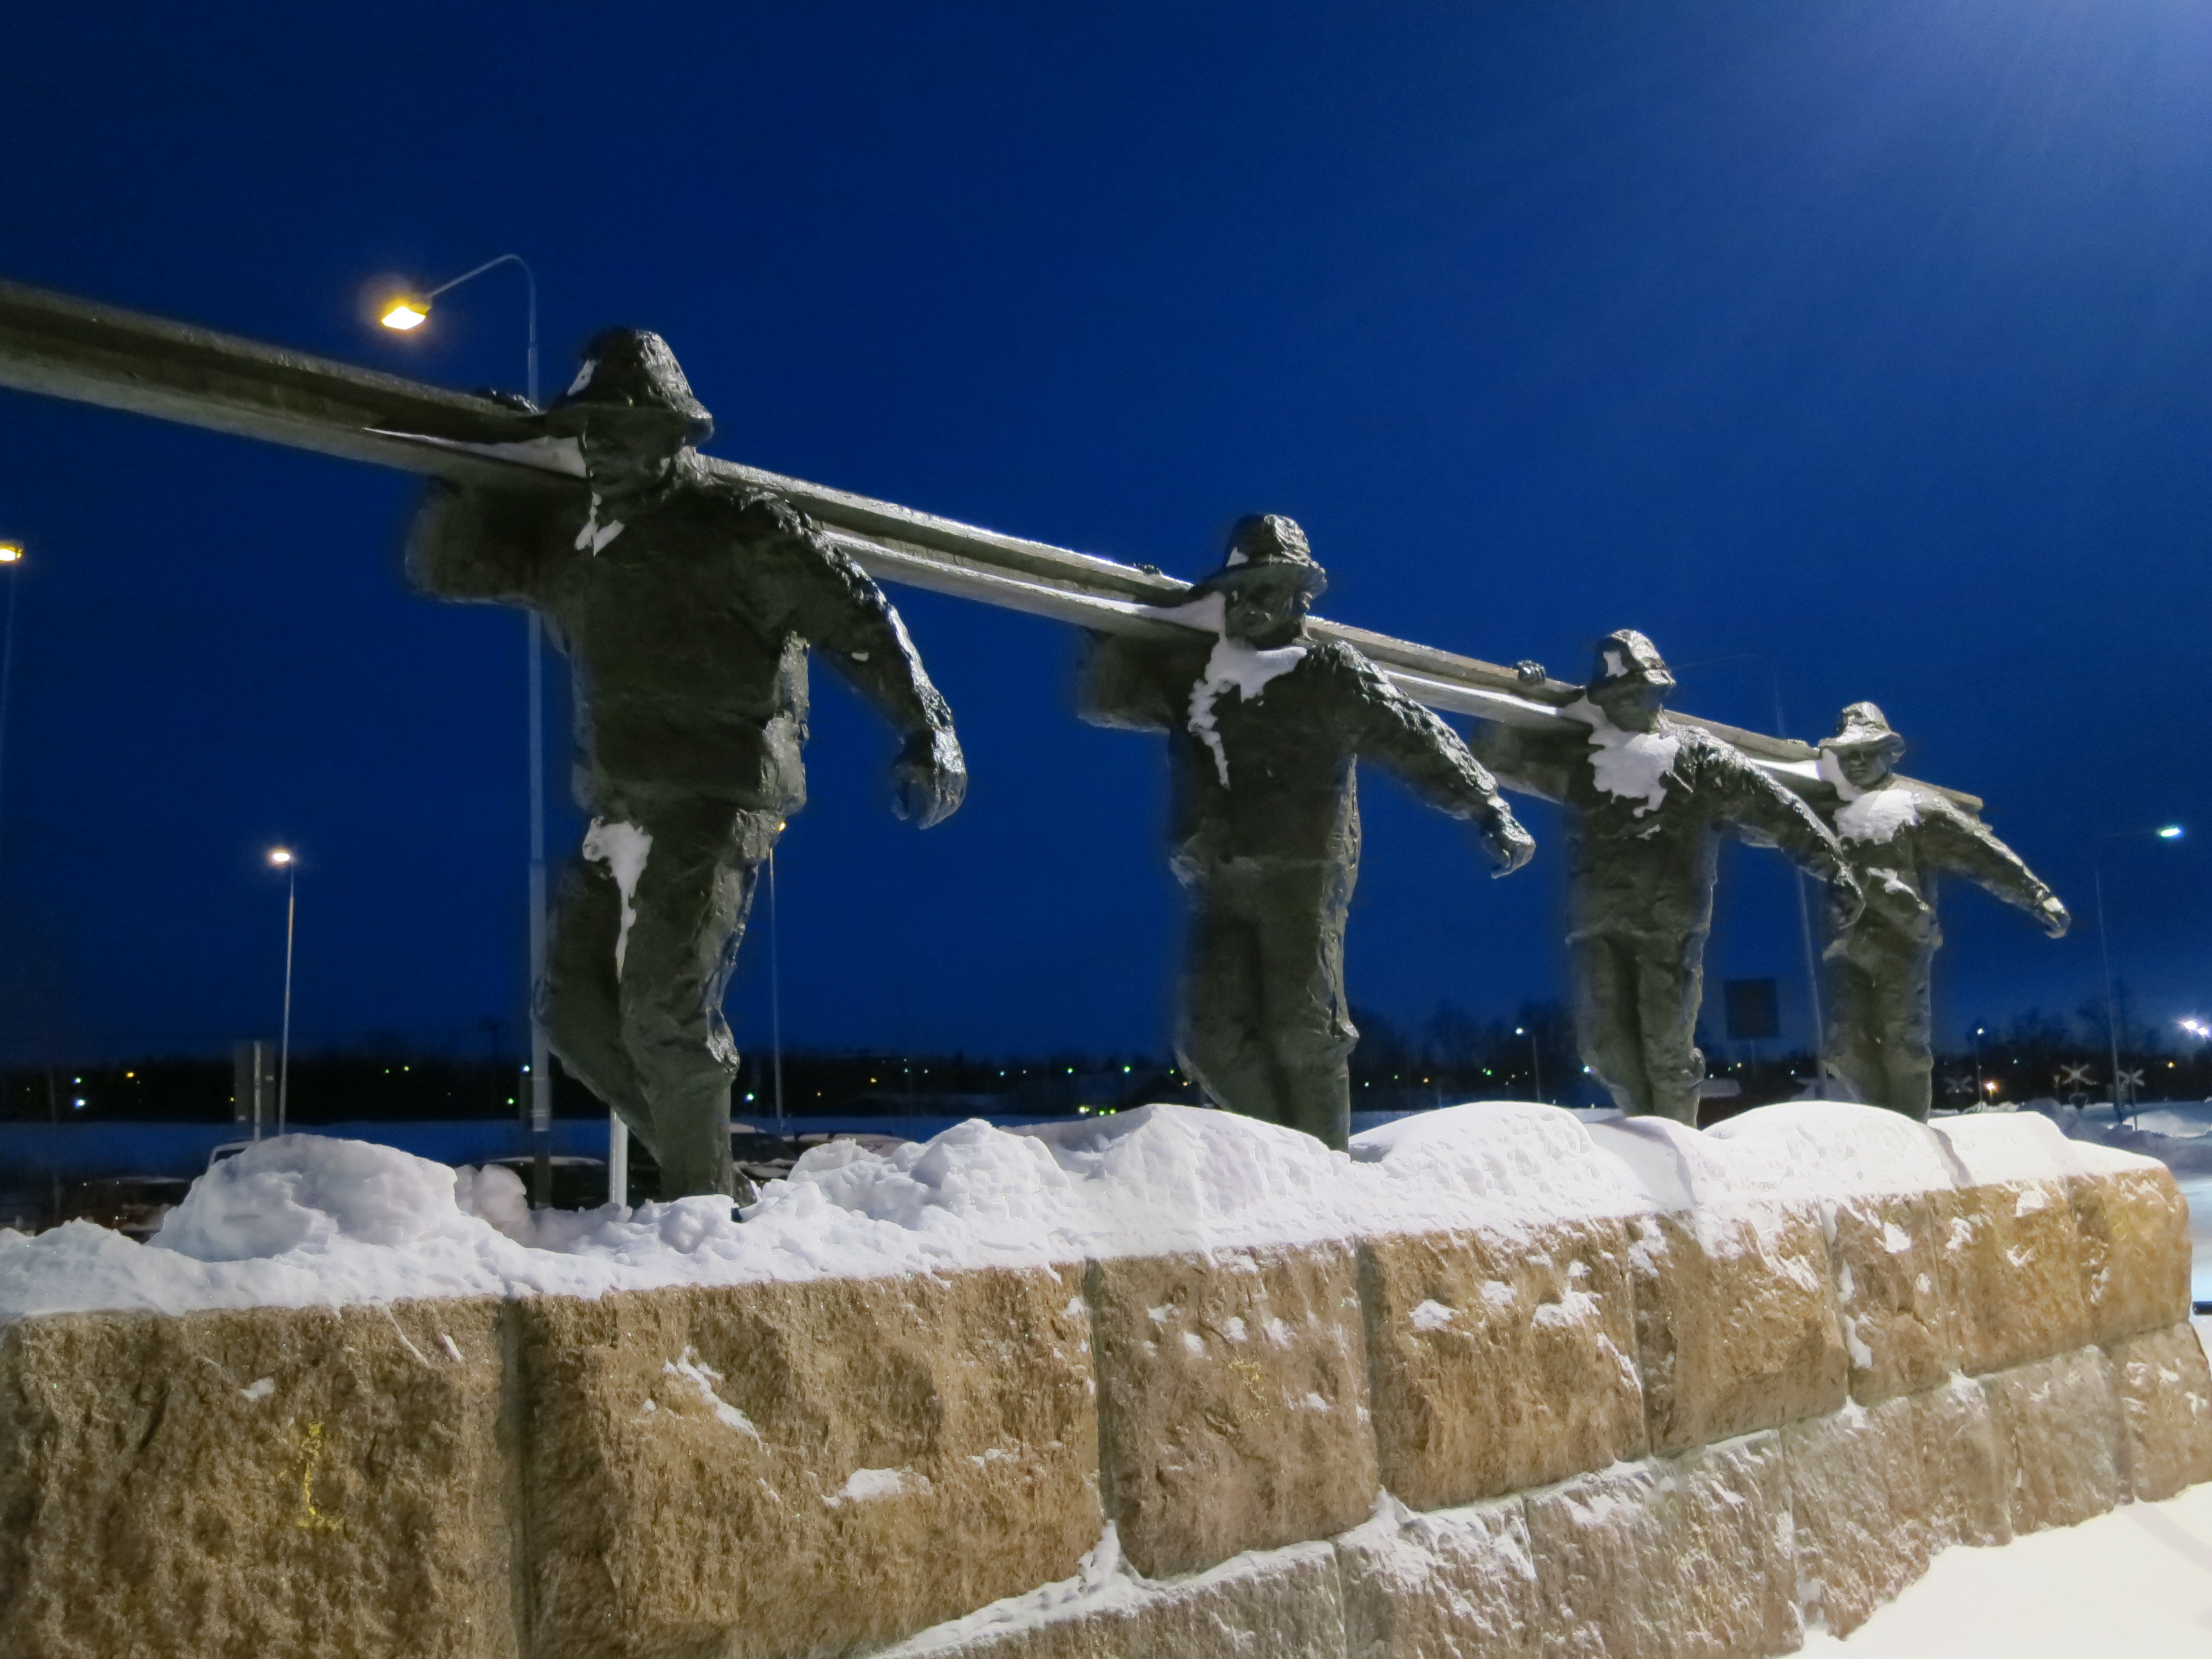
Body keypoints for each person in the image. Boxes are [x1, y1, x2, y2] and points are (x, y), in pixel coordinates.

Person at [406, 328, 966, 1198]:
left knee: (665, 1012)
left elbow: (858, 616)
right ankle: (710, 1185)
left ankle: (701, 1210)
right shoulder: (576, 543)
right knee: (573, 1016)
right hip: (619, 805)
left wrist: (928, 726)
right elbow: (448, 569)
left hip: (716, 793)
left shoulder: (741, 528)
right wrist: (476, 468)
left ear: (672, 433)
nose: (600, 446)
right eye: (587, 430)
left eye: (621, 427)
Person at [1079, 514, 1533, 1149]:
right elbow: (1106, 703)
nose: (1249, 603)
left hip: (1302, 875)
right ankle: (1293, 1158)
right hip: (1218, 876)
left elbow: (1415, 736)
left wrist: (1486, 806)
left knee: (1303, 1029)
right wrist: (1116, 628)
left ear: (1301, 594)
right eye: (1238, 589)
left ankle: (1324, 1168)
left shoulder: (1328, 672)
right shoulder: (1198, 672)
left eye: (1267, 587)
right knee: (1207, 1040)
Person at [1469, 630, 1863, 1123]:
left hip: (1669, 921)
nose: (1633, 702)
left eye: (1642, 691)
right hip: (1596, 919)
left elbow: (1779, 811)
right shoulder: (1582, 758)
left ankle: (1676, 1143)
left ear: (1660, 691)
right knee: (1605, 1048)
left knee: (1666, 1048)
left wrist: (1834, 869)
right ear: (1604, 699)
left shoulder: (1699, 757)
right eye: (1621, 694)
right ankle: (1647, 1136)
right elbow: (1499, 759)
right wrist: (1514, 700)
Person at [1804, 702, 2068, 1120]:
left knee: (1903, 1043)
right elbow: (1769, 816)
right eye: (1847, 754)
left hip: (1902, 938)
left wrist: (2038, 898)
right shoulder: (1827, 809)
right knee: (1842, 1048)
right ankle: (1888, 1123)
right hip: (1846, 941)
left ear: (1890, 754)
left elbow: (1982, 853)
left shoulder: (1917, 806)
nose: (1856, 762)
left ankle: (1912, 1129)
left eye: (1867, 752)